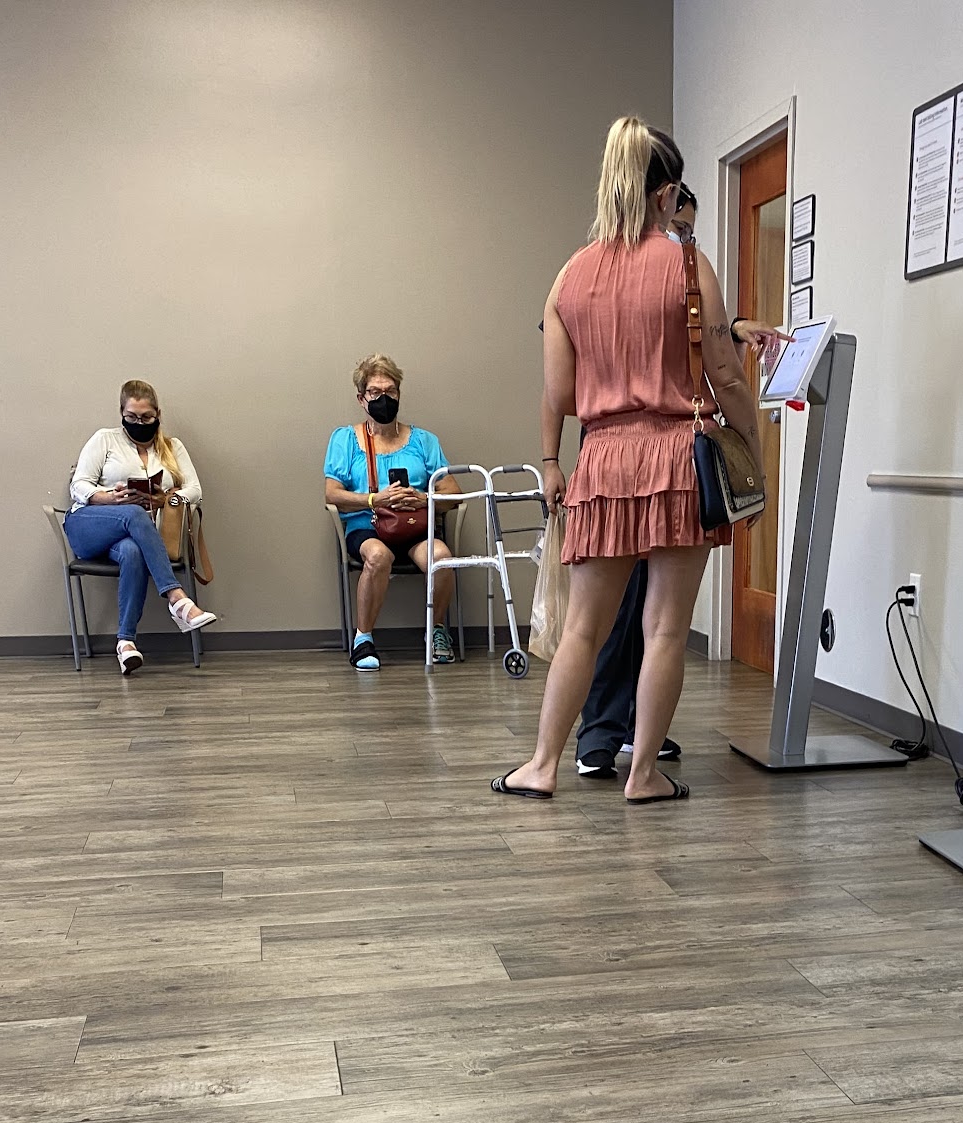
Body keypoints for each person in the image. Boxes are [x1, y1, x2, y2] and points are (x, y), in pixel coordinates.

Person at [494, 118, 763, 804]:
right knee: (665, 628)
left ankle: (542, 765)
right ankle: (643, 775)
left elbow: (559, 393)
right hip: (678, 455)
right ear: (667, 193)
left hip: (604, 461)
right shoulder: (686, 264)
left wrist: (556, 452)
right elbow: (727, 375)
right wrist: (752, 450)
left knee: (583, 627)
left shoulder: (569, 275)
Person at [574, 184, 791, 779]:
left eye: (689, 232)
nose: (682, 239)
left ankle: (636, 729)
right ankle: (602, 734)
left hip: (650, 454)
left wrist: (734, 326)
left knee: (650, 606)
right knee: (623, 609)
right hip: (631, 453)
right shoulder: (609, 272)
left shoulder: (666, 272)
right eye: (678, 226)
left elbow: (679, 331)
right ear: (659, 205)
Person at [66, 381, 217, 675]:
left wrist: (167, 499)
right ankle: (176, 598)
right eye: (131, 417)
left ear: (158, 414)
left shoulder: (173, 447)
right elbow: (79, 485)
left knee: (133, 552)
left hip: (133, 536)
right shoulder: (104, 440)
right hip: (89, 526)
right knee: (134, 512)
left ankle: (125, 643)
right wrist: (108, 498)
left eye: (146, 417)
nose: (139, 423)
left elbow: (195, 491)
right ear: (121, 413)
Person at [324, 355, 462, 671]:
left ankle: (437, 630)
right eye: (375, 392)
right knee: (377, 557)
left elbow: (454, 493)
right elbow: (332, 494)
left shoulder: (424, 441)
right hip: (367, 526)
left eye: (390, 391)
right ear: (361, 398)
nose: (383, 398)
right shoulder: (345, 439)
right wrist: (376, 499)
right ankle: (363, 639)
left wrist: (422, 498)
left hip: (415, 526)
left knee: (441, 557)